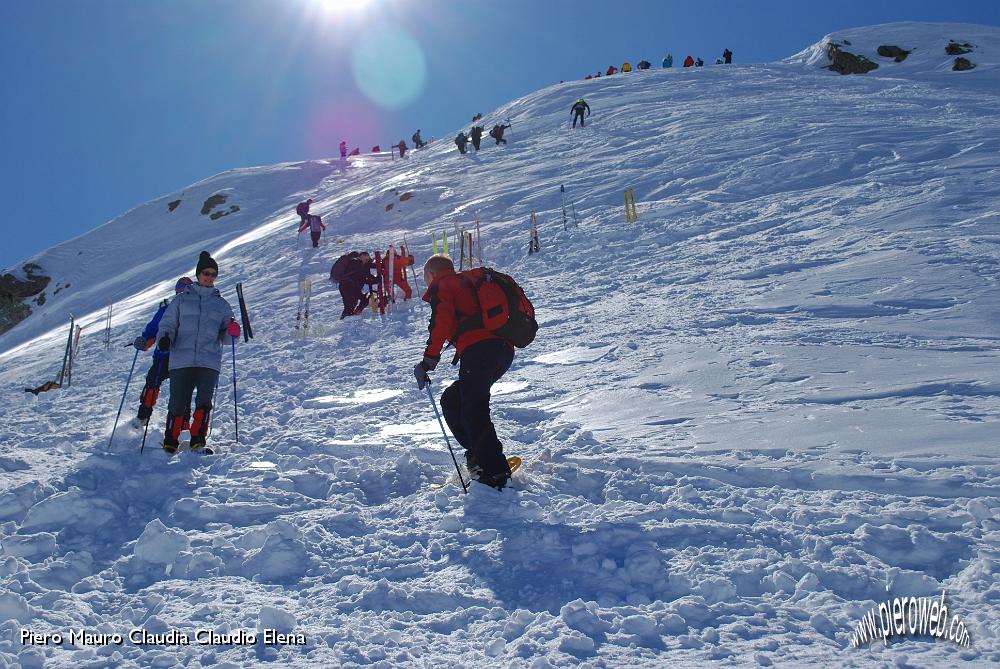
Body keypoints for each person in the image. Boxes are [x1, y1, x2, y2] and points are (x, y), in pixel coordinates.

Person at [413, 255, 515, 490]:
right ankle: (478, 458)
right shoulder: (466, 283)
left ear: (431, 275)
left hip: (480, 351)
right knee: (453, 400)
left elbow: (441, 322)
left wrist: (428, 361)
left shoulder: (445, 285)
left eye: (425, 277)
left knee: (473, 408)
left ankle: (495, 472)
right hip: (501, 351)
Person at [157, 252, 238, 454]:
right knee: (177, 402)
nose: (209, 277)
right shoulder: (181, 301)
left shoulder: (222, 305)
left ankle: (198, 440)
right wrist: (165, 339)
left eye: (213, 274)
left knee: (204, 401)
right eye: (205, 273)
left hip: (208, 361)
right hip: (181, 359)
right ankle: (170, 440)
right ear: (197, 274)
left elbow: (228, 339)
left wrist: (233, 332)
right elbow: (167, 325)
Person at [131, 277, 192, 426]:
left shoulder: (195, 313)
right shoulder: (166, 310)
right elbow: (153, 330)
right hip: (164, 356)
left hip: (185, 357)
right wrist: (144, 341)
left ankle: (182, 424)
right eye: (180, 293)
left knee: (183, 391)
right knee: (152, 382)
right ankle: (143, 416)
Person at [333, 251, 378, 319]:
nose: (367, 261)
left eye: (368, 259)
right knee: (352, 305)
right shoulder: (356, 263)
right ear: (361, 257)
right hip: (348, 286)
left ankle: (348, 319)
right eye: (366, 259)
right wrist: (376, 279)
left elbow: (365, 275)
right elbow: (364, 275)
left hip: (348, 286)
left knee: (353, 304)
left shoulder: (359, 264)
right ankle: (346, 321)